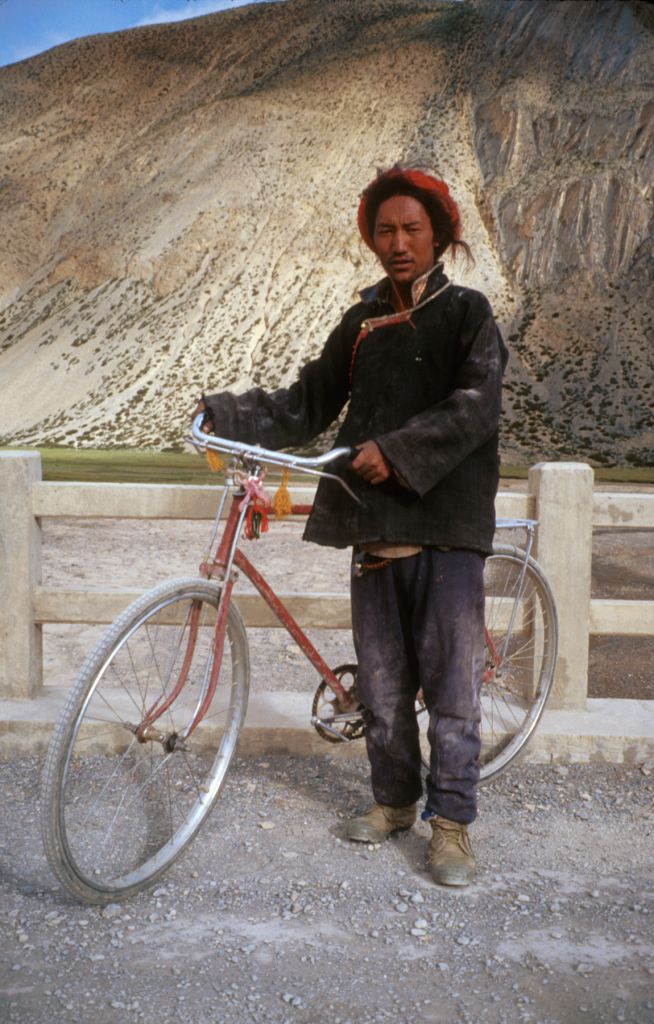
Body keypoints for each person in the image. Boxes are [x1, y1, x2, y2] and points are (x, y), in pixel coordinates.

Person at [195, 165, 508, 886]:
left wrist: (394, 451)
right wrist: (228, 414)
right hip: (375, 528)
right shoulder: (361, 322)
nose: (398, 243)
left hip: (447, 527)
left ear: (438, 236)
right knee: (384, 687)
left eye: (412, 229)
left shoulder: (469, 313)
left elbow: (475, 406)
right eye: (385, 230)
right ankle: (394, 803)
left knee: (452, 693)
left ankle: (452, 826)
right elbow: (307, 401)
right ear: (373, 239)